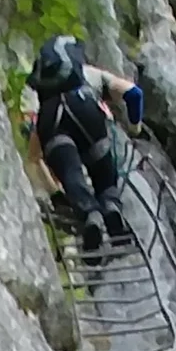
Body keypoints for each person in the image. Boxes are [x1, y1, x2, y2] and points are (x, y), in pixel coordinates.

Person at [24, 36, 142, 254]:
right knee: (102, 166)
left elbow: (33, 159)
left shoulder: (44, 98)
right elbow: (134, 94)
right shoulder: (93, 74)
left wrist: (55, 193)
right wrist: (135, 127)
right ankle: (110, 206)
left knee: (71, 173)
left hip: (52, 120)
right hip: (86, 108)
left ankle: (90, 215)